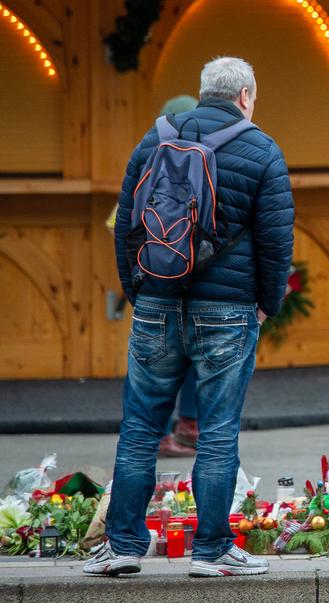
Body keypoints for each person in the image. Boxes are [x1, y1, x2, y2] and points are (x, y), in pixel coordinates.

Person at [86, 57, 294, 578]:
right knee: (219, 432)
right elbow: (276, 239)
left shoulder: (153, 140)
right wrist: (267, 302)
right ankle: (212, 550)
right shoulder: (262, 149)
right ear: (245, 95)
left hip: (156, 303)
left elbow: (126, 225)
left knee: (138, 428)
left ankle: (124, 546)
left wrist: (138, 290)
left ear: (203, 93)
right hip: (227, 312)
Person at [154, 94, 201, 459]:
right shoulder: (209, 161)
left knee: (158, 361)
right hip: (202, 283)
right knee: (195, 359)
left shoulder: (149, 160)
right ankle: (189, 427)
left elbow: (121, 225)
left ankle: (156, 433)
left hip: (157, 281)